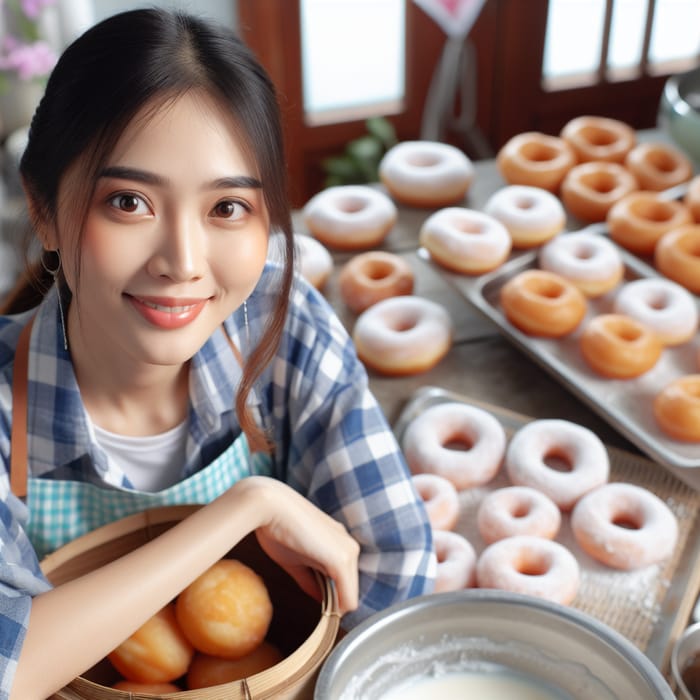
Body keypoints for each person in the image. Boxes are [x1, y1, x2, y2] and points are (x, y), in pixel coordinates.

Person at [0, 8, 435, 698]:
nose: (182, 261)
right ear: (46, 210)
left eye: (227, 208)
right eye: (129, 202)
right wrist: (244, 508)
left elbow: (394, 572)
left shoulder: (283, 330)